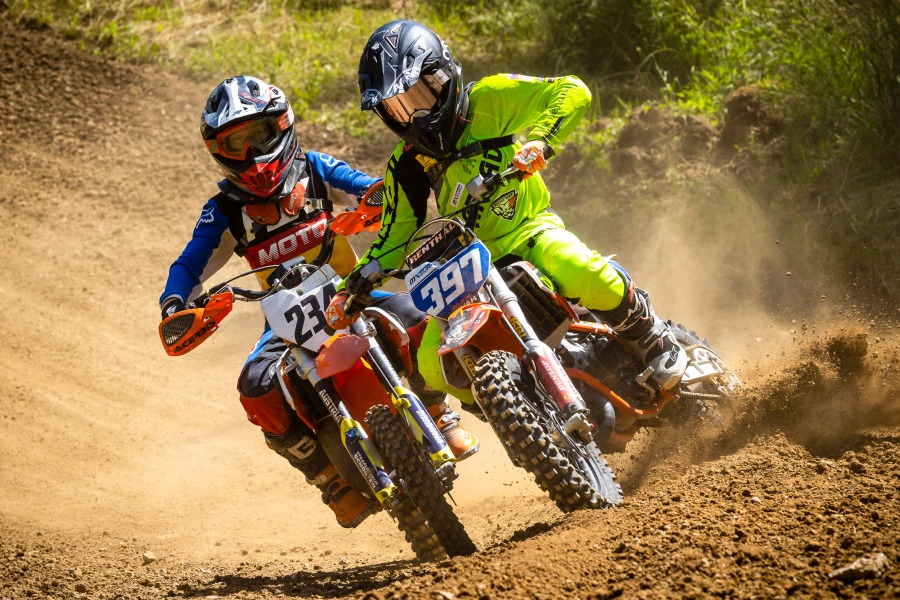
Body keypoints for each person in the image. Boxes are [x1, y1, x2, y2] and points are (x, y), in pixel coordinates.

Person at [159, 75, 477, 529]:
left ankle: (439, 414)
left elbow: (369, 187)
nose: (251, 154)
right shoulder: (224, 211)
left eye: (258, 135)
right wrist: (175, 304)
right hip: (285, 323)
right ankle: (328, 478)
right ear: (218, 150)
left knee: (418, 315)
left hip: (353, 293)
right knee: (255, 389)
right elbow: (190, 263)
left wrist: (377, 201)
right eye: (236, 143)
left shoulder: (315, 169)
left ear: (282, 125)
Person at [325, 20, 688, 415]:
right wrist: (354, 284)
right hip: (471, 267)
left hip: (529, 229)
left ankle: (653, 337)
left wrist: (540, 140)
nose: (412, 116)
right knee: (431, 363)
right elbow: (396, 236)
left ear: (440, 75)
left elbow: (572, 90)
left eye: (416, 98)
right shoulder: (406, 163)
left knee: (577, 267)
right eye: (397, 108)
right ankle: (524, 415)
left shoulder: (490, 98)